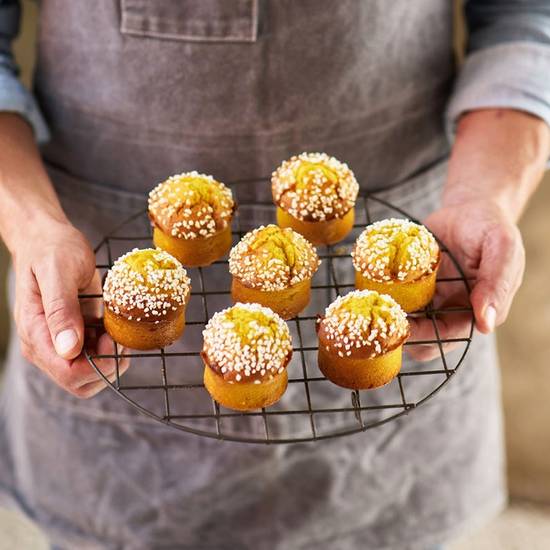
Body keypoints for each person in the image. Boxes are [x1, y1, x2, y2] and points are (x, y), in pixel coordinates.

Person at [0, 1, 549, 548]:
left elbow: (527, 16)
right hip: (94, 267)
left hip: (415, 229)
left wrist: (486, 194)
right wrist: (31, 225)